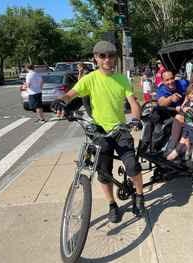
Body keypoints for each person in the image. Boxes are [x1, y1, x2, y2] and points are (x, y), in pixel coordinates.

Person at [53, 40, 145, 222]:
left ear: (115, 58)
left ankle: (140, 196)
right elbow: (71, 94)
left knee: (132, 165)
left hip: (119, 129)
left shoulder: (122, 79)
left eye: (111, 56)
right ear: (96, 58)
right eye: (102, 56)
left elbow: (133, 102)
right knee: (104, 172)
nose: (107, 59)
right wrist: (61, 101)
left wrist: (136, 119)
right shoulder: (89, 79)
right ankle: (112, 204)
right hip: (99, 131)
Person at [141, 70, 189, 152]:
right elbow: (161, 102)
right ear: (163, 81)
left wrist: (187, 100)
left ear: (175, 78)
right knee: (152, 118)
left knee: (166, 125)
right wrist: (170, 98)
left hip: (179, 114)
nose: (170, 82)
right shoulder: (161, 89)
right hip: (167, 111)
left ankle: (156, 148)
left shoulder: (183, 83)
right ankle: (146, 145)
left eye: (172, 78)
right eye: (167, 80)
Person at [166, 83, 193, 160]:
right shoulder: (187, 103)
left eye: (192, 94)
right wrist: (182, 108)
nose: (190, 95)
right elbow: (183, 111)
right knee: (184, 139)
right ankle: (187, 152)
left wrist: (191, 110)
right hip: (187, 125)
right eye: (189, 94)